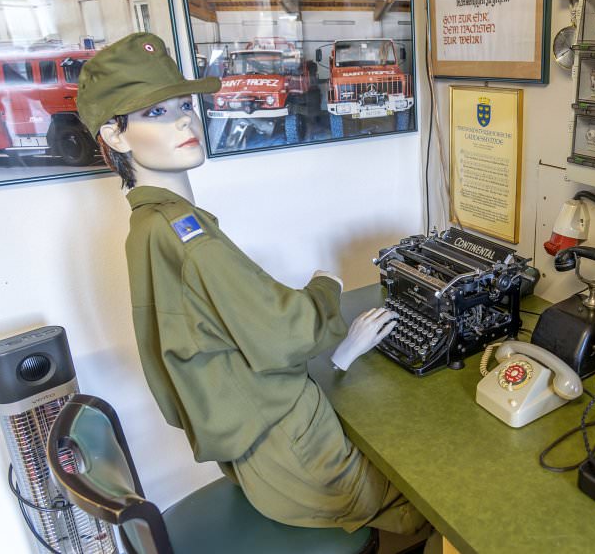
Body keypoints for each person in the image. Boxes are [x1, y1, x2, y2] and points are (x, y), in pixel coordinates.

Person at [76, 33, 428, 538]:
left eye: (184, 105)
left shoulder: (149, 225)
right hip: (303, 460)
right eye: (155, 112)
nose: (183, 120)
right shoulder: (186, 235)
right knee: (437, 492)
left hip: (259, 458)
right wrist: (326, 285)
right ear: (115, 136)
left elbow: (209, 351)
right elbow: (287, 332)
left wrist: (342, 357)